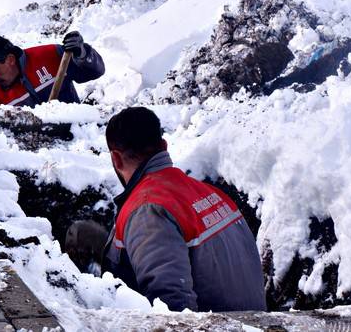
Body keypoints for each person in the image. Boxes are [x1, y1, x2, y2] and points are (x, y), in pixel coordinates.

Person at [70, 107, 267, 312]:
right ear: (164, 146)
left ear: (116, 159)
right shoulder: (211, 193)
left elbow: (172, 309)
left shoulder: (148, 210)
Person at [0, 32, 104, 106]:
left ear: (10, 59)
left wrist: (82, 54)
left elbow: (95, 71)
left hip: (77, 142)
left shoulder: (51, 55)